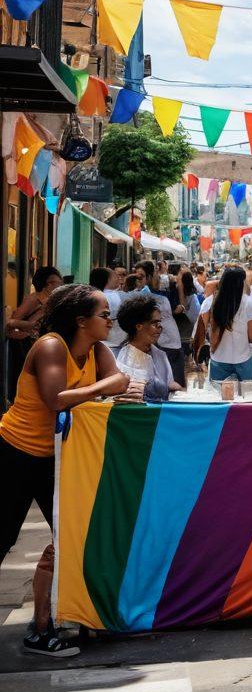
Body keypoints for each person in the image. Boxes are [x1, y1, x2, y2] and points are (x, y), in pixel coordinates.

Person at [1, 284, 138, 657]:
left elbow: (119, 380)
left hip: (56, 459)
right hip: (16, 453)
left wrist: (109, 384)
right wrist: (107, 386)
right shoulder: (50, 347)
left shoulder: (97, 349)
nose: (110, 321)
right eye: (104, 315)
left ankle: (43, 625)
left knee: (71, 536)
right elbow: (56, 400)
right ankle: (45, 626)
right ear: (81, 321)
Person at [5, 267, 63, 397]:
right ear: (49, 284)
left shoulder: (52, 301)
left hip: (38, 343)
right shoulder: (34, 299)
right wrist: (32, 326)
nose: (61, 286)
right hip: (25, 344)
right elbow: (12, 322)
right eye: (59, 283)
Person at [114, 294, 182, 401]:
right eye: (154, 323)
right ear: (139, 326)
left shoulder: (160, 354)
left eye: (160, 322)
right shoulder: (125, 361)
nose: (160, 327)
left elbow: (169, 382)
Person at [199, 267, 252, 382]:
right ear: (242, 282)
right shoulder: (251, 304)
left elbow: (203, 328)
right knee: (247, 397)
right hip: (244, 359)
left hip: (219, 359)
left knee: (219, 397)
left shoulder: (209, 302)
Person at [135, 260, 184, 387]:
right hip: (162, 344)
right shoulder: (144, 295)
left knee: (172, 385)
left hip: (168, 344)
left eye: (141, 277)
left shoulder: (154, 295)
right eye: (136, 277)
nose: (137, 280)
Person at [89, 267, 126, 351]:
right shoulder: (114, 295)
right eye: (114, 275)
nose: (118, 278)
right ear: (106, 279)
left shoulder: (92, 295)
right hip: (115, 342)